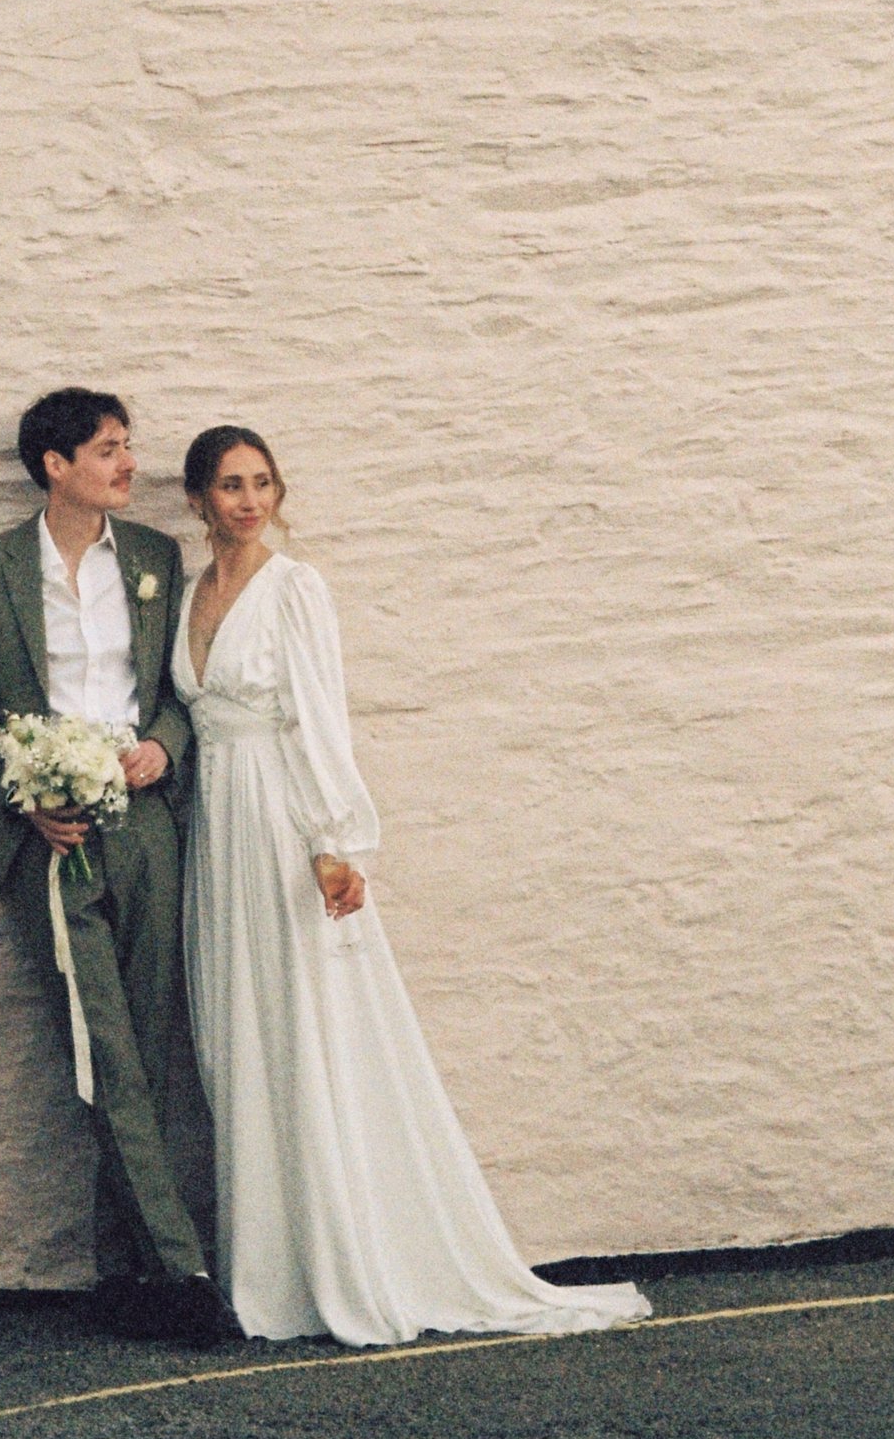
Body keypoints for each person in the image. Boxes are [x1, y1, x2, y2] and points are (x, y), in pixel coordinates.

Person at [173, 422, 650, 1349]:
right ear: (198, 499)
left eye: (263, 482)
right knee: (243, 1031)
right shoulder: (191, 592)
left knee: (308, 1024)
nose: (250, 500)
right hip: (217, 831)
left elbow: (320, 716)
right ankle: (270, 1266)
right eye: (230, 485)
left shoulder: (294, 588)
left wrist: (333, 840)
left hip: (279, 822)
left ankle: (349, 1256)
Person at [0, 387, 235, 1346]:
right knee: (102, 1040)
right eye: (108, 449)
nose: (128, 464)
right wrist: (22, 791)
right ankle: (182, 1269)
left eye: (127, 446)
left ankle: (121, 1274)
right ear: (54, 465)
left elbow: (183, 695)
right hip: (50, 839)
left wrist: (162, 749)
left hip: (145, 827)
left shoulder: (153, 560)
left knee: (145, 1044)